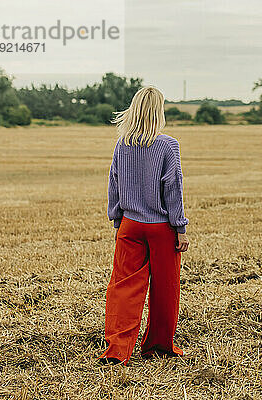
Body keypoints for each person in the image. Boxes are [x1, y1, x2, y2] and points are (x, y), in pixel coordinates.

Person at [98, 86, 190, 365]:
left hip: (129, 225)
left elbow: (113, 182)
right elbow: (173, 187)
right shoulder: (167, 144)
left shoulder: (122, 144)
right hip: (161, 228)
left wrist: (117, 220)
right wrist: (181, 227)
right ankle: (158, 347)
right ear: (158, 111)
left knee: (123, 288)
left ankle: (117, 350)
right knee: (165, 288)